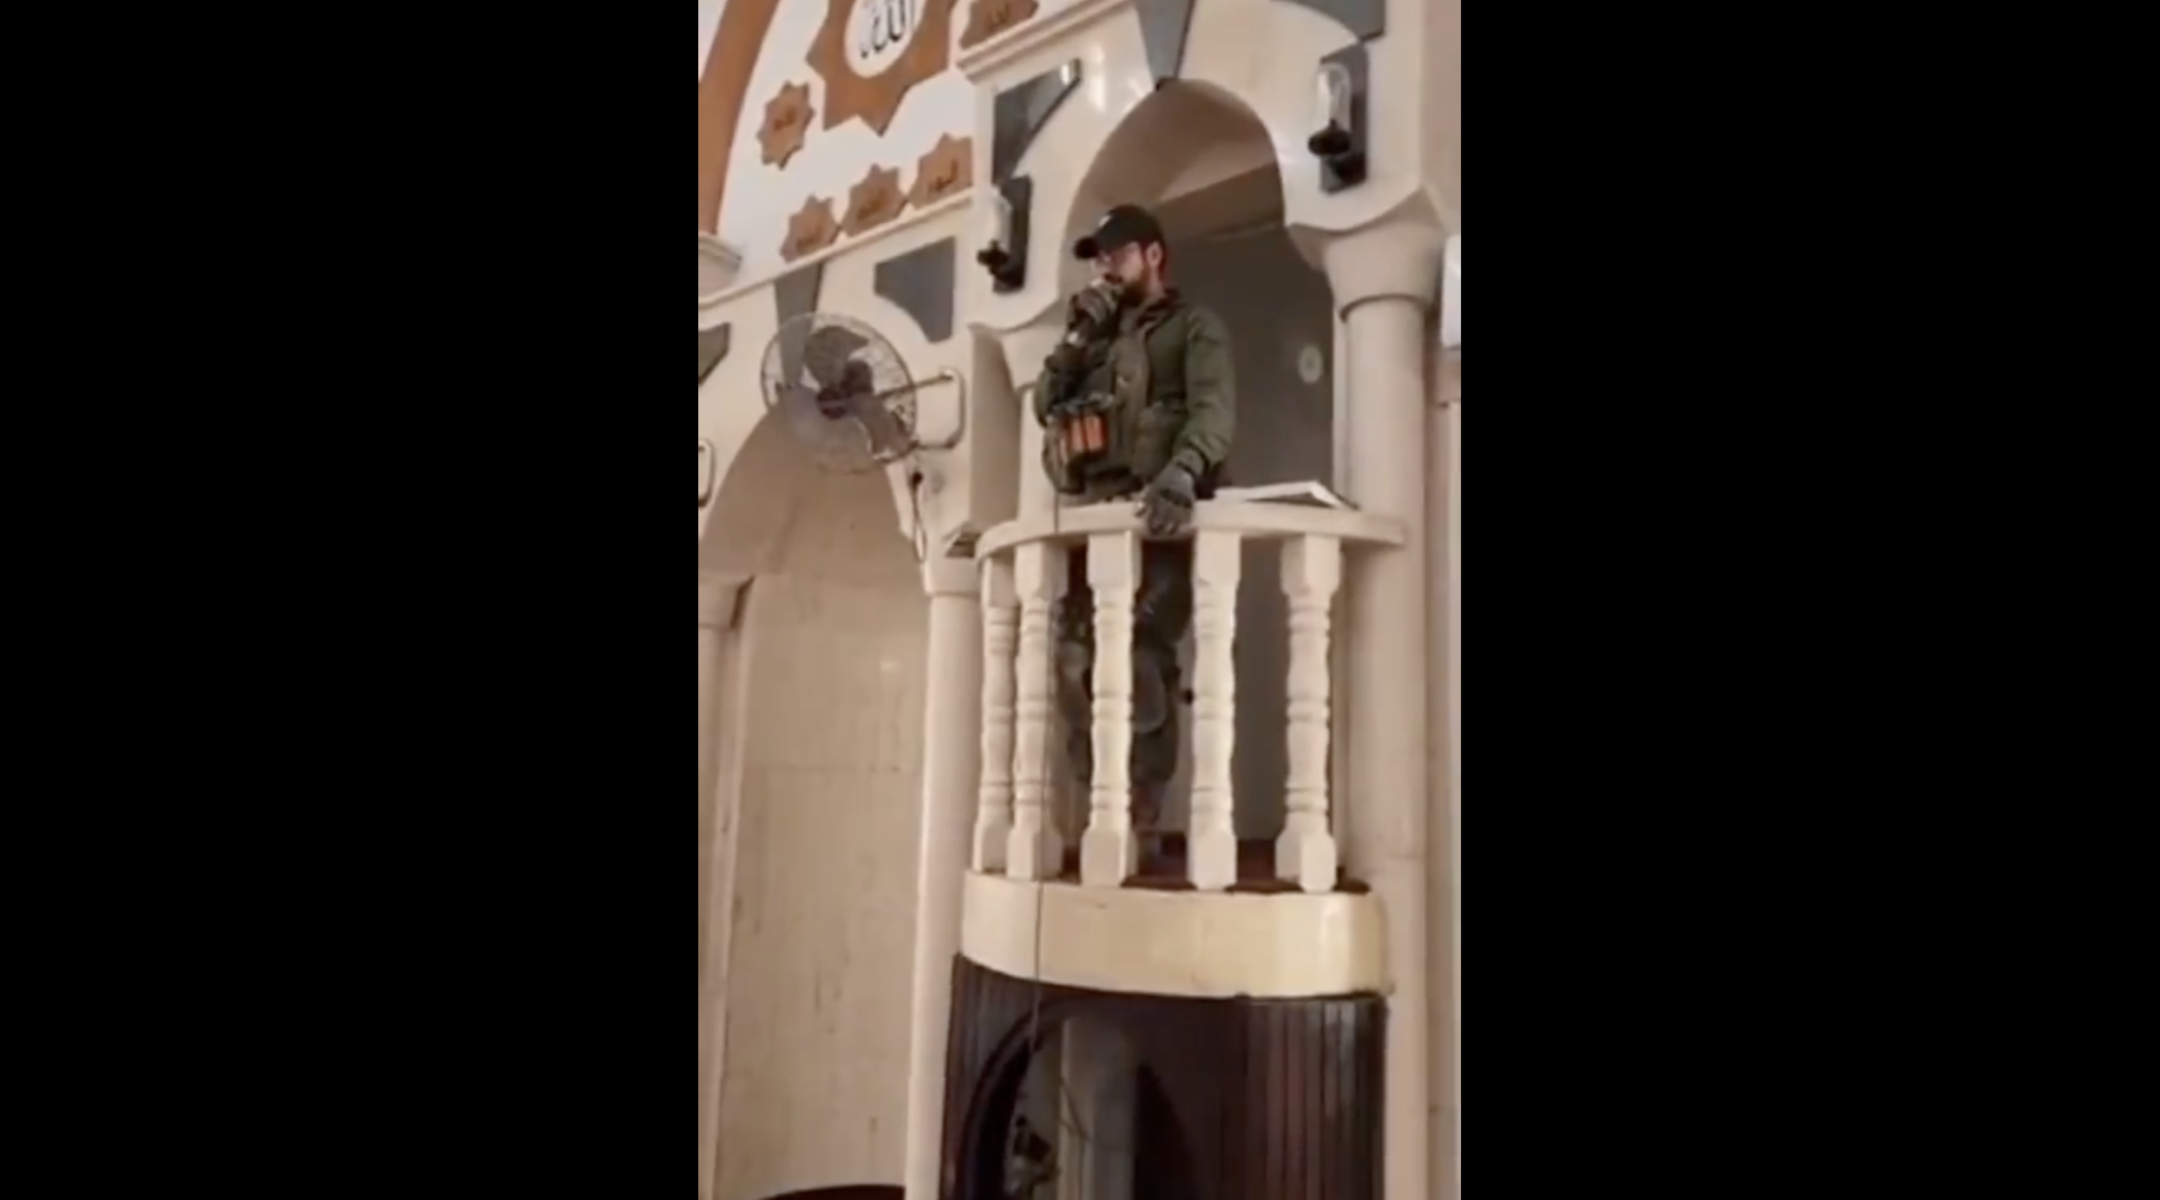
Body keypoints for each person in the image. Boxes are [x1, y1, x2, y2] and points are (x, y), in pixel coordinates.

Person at [1034, 204, 1236, 855]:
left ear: (1152, 255)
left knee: (1143, 655)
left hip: (1160, 525)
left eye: (1116, 255)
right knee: (1072, 661)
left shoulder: (1193, 327)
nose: (1105, 268)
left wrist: (1183, 472)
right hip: (1095, 525)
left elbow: (1214, 411)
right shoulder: (1090, 344)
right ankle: (1102, 802)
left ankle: (1143, 813)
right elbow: (1044, 406)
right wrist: (1073, 342)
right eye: (1099, 258)